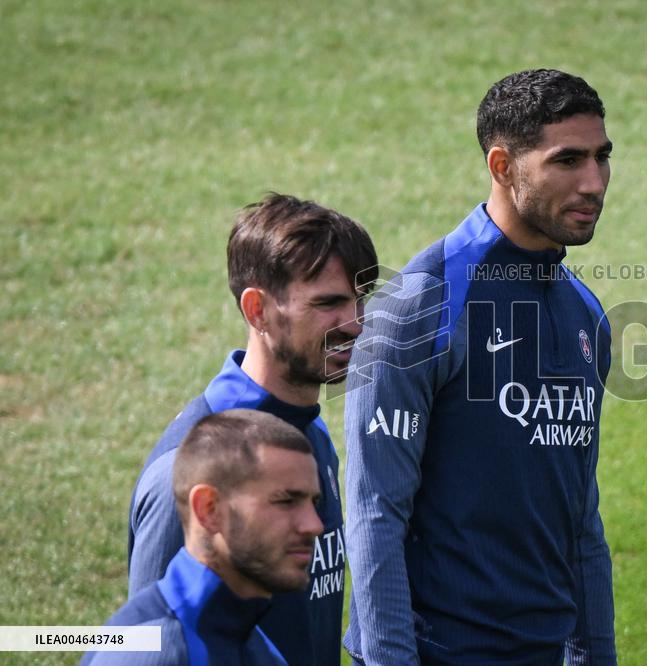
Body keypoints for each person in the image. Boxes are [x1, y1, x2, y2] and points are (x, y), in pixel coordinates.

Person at [344, 69, 617, 665]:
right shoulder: (421, 304)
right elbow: (373, 513)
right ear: (501, 166)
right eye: (567, 161)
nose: (593, 182)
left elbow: (580, 520)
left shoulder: (587, 315)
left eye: (602, 157)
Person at [128, 193, 378, 665]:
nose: (356, 324)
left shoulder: (309, 435)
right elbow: (148, 646)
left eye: (360, 300)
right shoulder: (186, 470)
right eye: (328, 304)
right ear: (258, 310)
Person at [83, 410, 324, 665]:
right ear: (209, 509)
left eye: (314, 503)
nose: (314, 525)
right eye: (286, 501)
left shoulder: (255, 643)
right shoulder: (153, 653)